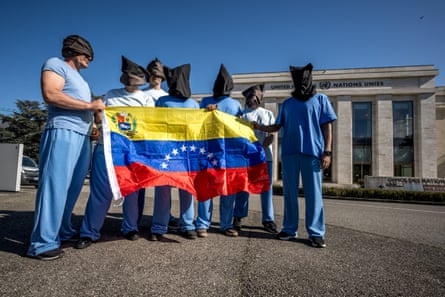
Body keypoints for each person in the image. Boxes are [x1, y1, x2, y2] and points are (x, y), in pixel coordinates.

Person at [27, 34, 105, 260]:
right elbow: (51, 94)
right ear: (76, 52)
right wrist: (90, 105)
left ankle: (62, 229)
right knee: (54, 186)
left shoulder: (82, 80)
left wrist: (94, 120)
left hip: (83, 137)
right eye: (87, 54)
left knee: (72, 187)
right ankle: (41, 243)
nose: (90, 59)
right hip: (62, 131)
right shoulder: (55, 64)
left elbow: (85, 107)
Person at [74, 56, 154, 249]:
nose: (132, 83)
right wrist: (98, 115)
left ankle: (130, 228)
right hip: (107, 147)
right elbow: (100, 117)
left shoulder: (146, 98)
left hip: (133, 150)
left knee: (132, 192)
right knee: (101, 192)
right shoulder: (110, 94)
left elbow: (150, 125)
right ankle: (89, 232)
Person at [253, 63, 336, 248]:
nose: (302, 83)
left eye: (304, 79)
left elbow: (327, 127)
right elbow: (276, 127)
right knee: (289, 194)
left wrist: (327, 152)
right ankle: (289, 229)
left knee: (314, 195)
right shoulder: (287, 103)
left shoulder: (321, 99)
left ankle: (316, 233)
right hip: (290, 154)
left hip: (313, 153)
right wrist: (258, 127)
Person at [149, 63, 199, 241]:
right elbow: (156, 125)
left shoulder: (193, 104)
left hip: (186, 153)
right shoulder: (162, 101)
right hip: (167, 152)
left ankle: (187, 225)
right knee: (163, 189)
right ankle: (159, 226)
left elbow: (198, 128)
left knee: (187, 189)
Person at [195, 64, 243, 237]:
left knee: (228, 190)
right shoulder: (206, 102)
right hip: (209, 151)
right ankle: (202, 223)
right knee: (206, 188)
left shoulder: (236, 105)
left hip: (229, 152)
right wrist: (205, 113)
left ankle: (225, 224)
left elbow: (240, 128)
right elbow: (198, 123)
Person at [236, 84, 278, 233]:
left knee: (266, 189)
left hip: (265, 157)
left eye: (255, 97)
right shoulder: (241, 115)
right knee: (243, 187)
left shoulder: (267, 114)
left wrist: (262, 148)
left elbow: (272, 135)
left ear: (260, 98)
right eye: (249, 97)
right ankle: (238, 216)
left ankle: (268, 219)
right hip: (246, 158)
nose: (252, 100)